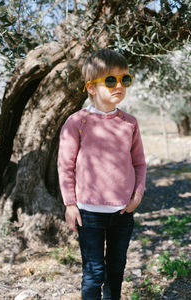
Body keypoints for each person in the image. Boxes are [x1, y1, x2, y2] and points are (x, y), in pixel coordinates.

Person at [58, 48, 146, 300]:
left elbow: (139, 163)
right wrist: (70, 204)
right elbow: (65, 166)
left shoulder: (130, 123)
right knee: (94, 273)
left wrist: (138, 194)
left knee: (116, 271)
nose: (119, 85)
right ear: (92, 88)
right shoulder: (77, 122)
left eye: (124, 79)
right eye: (110, 80)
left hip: (122, 212)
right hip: (89, 213)